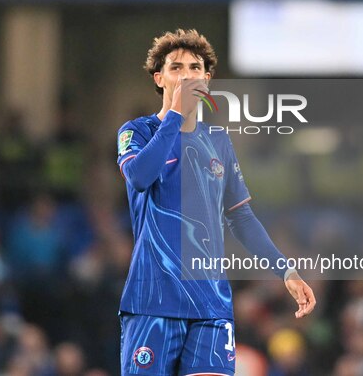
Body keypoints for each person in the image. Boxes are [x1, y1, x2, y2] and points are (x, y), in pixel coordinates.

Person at [116, 29, 316, 376]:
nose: (187, 75)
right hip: (154, 299)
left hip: (211, 302)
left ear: (207, 79)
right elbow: (139, 176)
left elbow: (241, 218)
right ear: (158, 77)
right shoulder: (137, 131)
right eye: (176, 68)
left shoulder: (218, 142)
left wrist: (286, 269)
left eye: (196, 67)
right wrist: (176, 115)